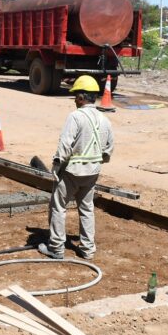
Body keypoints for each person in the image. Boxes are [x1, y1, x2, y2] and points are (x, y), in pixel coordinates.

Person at [39, 75, 114, 261]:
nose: (74, 100)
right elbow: (109, 148)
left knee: (58, 207)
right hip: (92, 173)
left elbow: (65, 144)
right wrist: (96, 162)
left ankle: (56, 248)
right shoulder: (104, 119)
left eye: (75, 96)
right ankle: (88, 250)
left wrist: (56, 166)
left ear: (81, 97)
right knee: (87, 209)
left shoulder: (75, 117)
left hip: (71, 172)